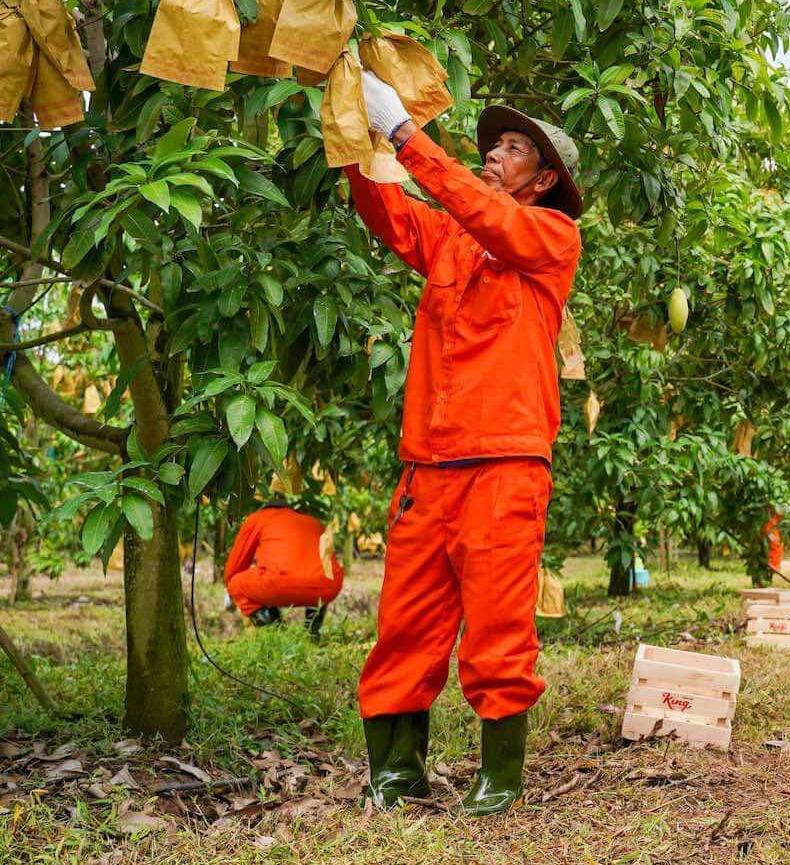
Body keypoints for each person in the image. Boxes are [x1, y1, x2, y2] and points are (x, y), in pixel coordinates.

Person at [349, 72, 583, 815]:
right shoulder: (451, 236)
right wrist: (354, 132)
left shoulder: (550, 235)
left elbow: (486, 214)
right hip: (429, 464)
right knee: (405, 622)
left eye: (513, 150)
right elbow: (390, 212)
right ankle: (396, 773)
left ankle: (500, 778)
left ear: (544, 179)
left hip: (505, 463)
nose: (492, 155)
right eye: (492, 146)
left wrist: (406, 135)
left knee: (498, 624)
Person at [223, 496, 345, 637]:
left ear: (266, 508)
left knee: (235, 583)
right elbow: (330, 561)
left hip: (278, 584)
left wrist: (229, 587)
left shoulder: (258, 518)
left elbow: (237, 562)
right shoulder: (312, 521)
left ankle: (278, 635)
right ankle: (312, 634)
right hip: (326, 586)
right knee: (319, 578)